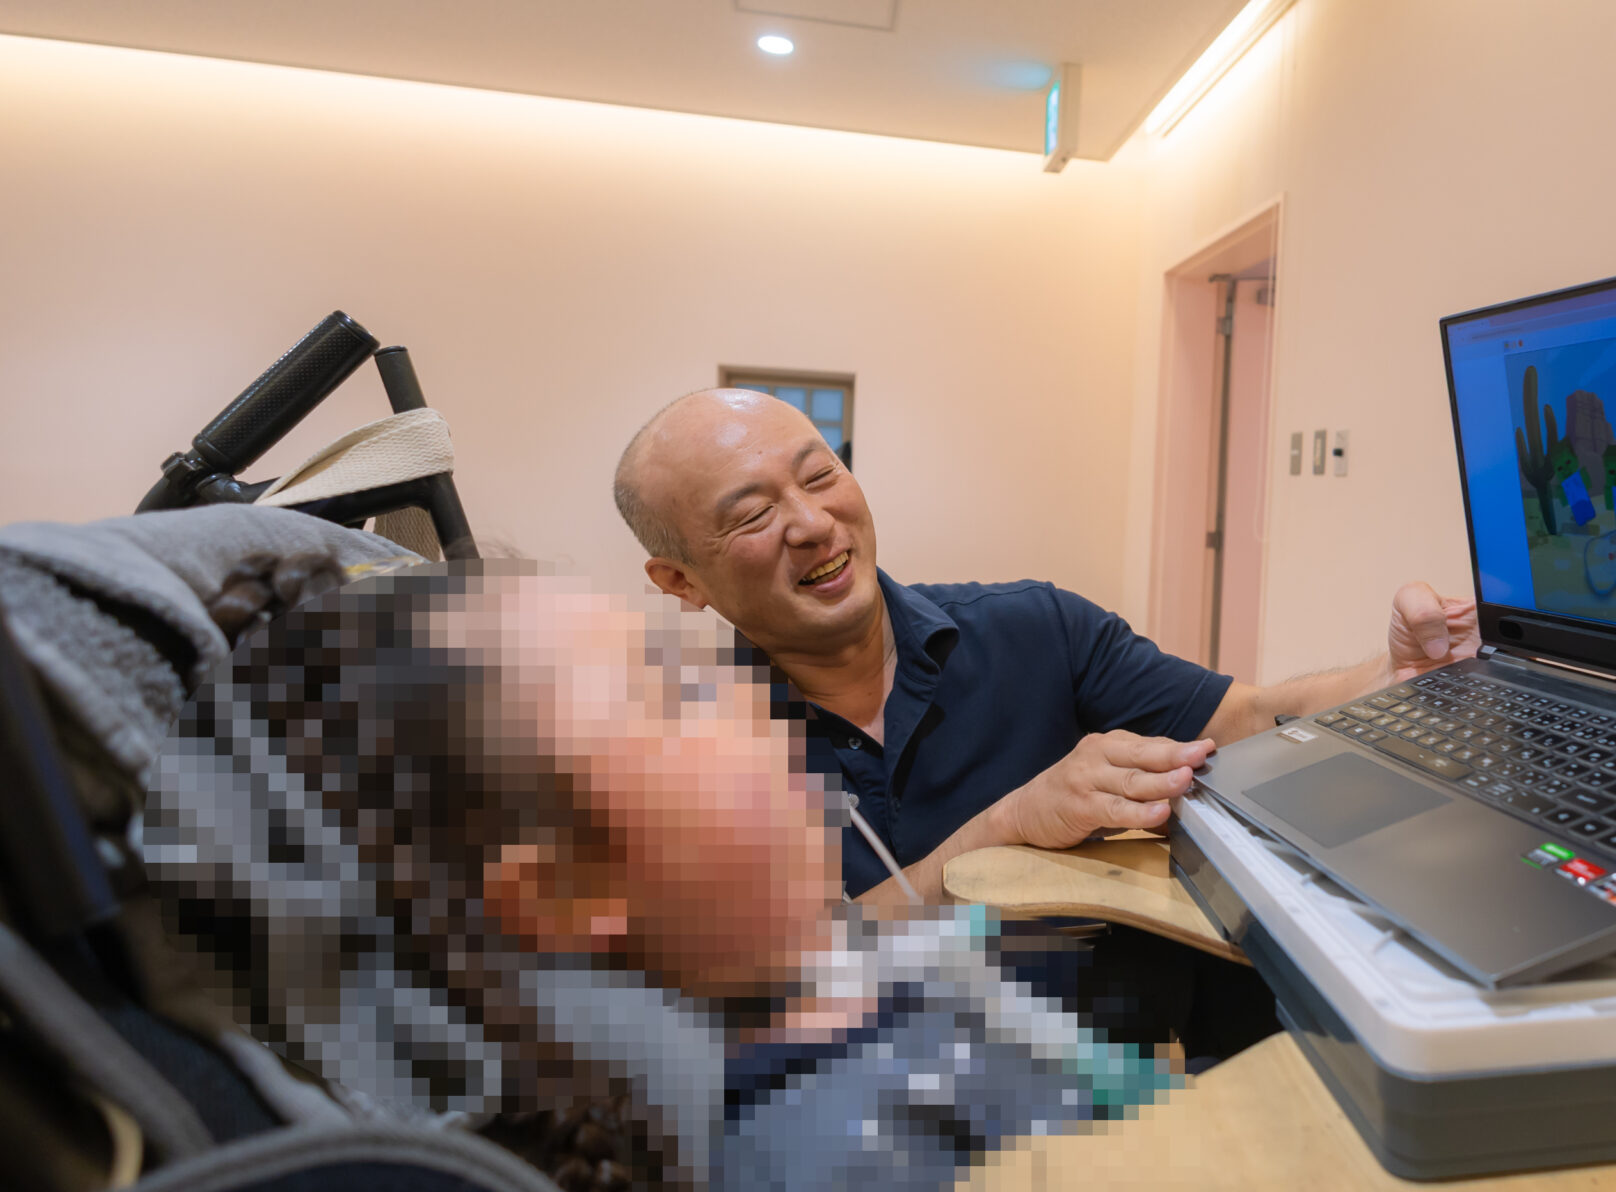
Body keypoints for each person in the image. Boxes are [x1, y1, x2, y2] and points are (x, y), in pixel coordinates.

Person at [144, 558, 1171, 1192]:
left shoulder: (848, 994)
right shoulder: (819, 1173)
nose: (747, 693)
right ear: (560, 892)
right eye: (676, 692)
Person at [610, 388, 1481, 913]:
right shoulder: (674, 756)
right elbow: (785, 985)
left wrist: (1393, 677)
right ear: (679, 579)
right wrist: (1006, 829)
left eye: (820, 473)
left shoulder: (1036, 628)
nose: (812, 522)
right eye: (753, 514)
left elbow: (1248, 717)